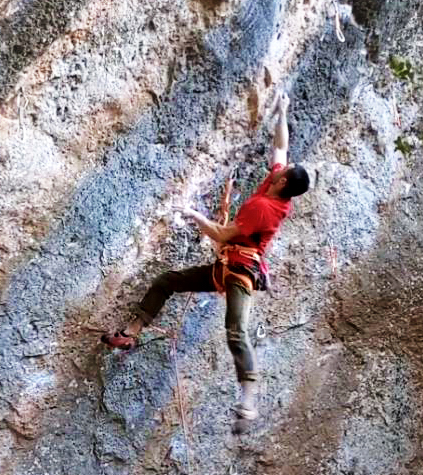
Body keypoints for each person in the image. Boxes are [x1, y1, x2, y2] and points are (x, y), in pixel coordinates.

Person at [101, 92, 309, 423]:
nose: (284, 166)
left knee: (236, 330)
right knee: (167, 281)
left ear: (283, 182)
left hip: (242, 272)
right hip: (224, 267)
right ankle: (131, 332)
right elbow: (281, 148)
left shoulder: (265, 208)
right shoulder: (276, 184)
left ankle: (250, 401)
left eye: (287, 170)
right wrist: (283, 110)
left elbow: (222, 234)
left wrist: (193, 214)